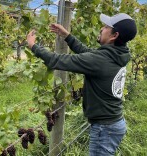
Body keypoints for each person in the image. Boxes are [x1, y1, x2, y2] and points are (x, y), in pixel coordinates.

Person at [27, 13, 137, 155]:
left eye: (105, 27)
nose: (101, 29)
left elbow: (58, 60)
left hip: (104, 129)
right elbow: (87, 53)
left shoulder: (100, 60)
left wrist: (33, 46)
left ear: (114, 35)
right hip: (114, 123)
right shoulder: (118, 54)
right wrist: (67, 36)